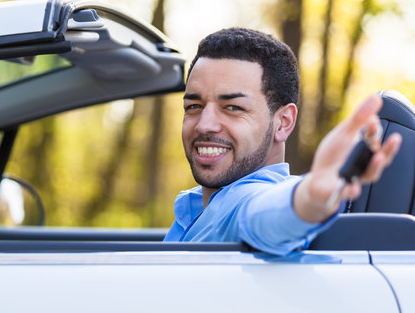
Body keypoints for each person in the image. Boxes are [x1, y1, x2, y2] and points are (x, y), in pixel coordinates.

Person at [163, 27, 402, 255]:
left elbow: (267, 214)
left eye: (233, 108)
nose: (204, 124)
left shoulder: (243, 201)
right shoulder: (193, 205)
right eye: (194, 106)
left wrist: (313, 196)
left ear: (284, 122)